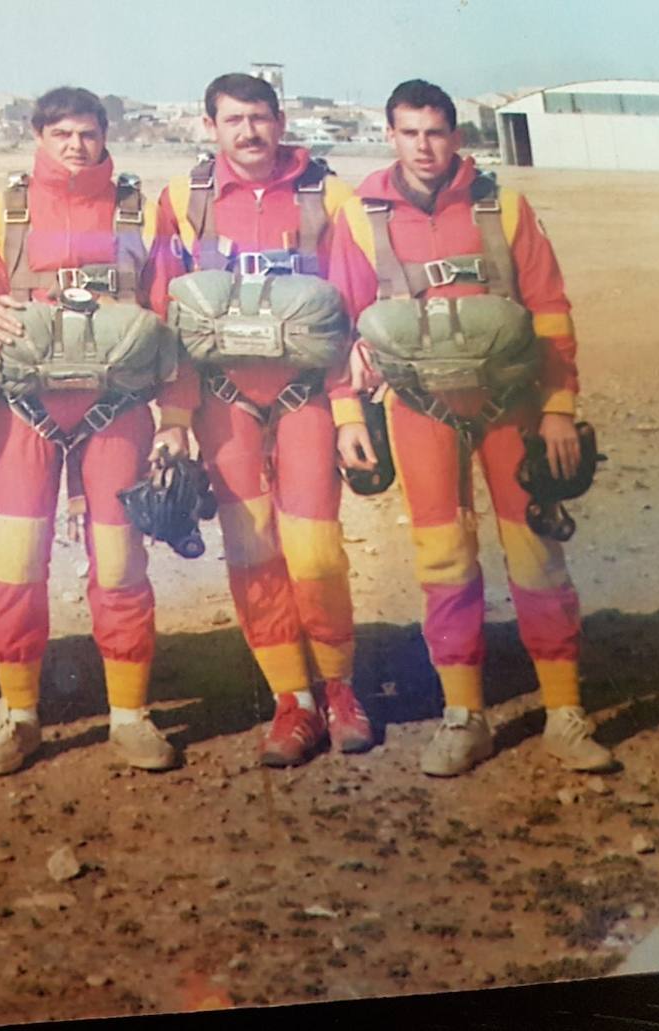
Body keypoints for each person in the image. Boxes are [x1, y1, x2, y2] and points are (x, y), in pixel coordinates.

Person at [329, 79, 613, 776]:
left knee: (538, 555)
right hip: (418, 412)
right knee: (443, 560)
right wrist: (346, 412)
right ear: (390, 135)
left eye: (436, 132)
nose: (424, 147)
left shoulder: (502, 206)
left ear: (455, 136)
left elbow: (549, 310)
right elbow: (341, 322)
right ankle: (465, 714)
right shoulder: (362, 216)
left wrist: (558, 409)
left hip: (511, 406)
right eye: (409, 133)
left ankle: (564, 712)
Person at [0, 86, 191, 776]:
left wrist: (176, 415)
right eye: (60, 132)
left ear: (103, 136)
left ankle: (129, 714)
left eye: (87, 133)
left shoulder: (140, 212)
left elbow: (170, 317)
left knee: (121, 565)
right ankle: (19, 715)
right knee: (16, 565)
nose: (75, 145)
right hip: (26, 410)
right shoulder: (1, 211)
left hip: (116, 408)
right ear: (38, 134)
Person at [150, 73, 371, 766]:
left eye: (259, 118)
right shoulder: (183, 202)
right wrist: (176, 414)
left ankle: (338, 687)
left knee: (314, 551)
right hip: (224, 403)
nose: (248, 132)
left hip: (307, 395)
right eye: (233, 119)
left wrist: (347, 410)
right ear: (210, 126)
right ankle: (291, 699)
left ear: (281, 121)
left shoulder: (329, 197)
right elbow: (169, 318)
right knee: (251, 552)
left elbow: (349, 311)